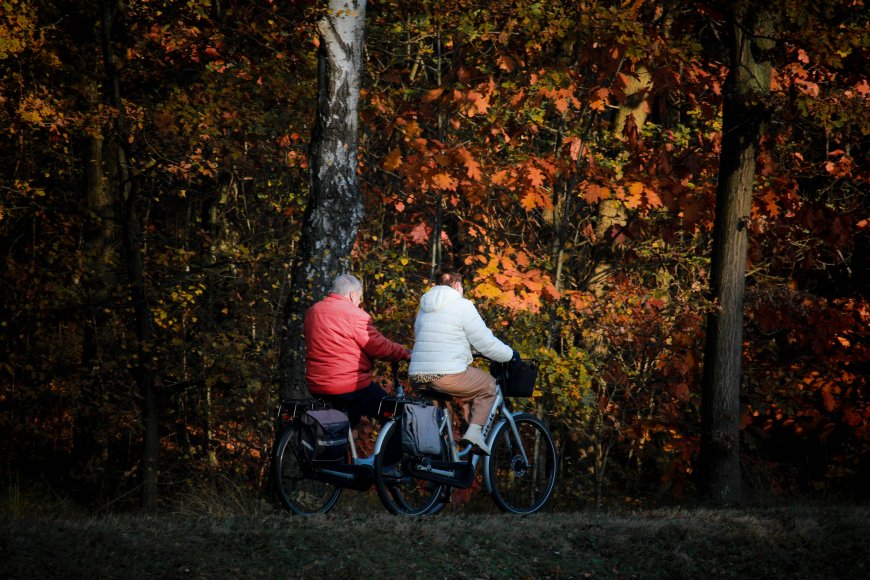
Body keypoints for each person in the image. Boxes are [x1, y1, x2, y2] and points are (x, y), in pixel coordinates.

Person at [409, 269, 519, 455]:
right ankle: (475, 433)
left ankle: (441, 466)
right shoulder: (462, 305)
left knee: (442, 417)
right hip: (445, 375)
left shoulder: (424, 307)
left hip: (417, 376)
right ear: (457, 285)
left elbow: (427, 337)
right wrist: (511, 355)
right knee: (488, 386)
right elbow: (485, 342)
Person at [304, 273, 411, 427]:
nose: (359, 303)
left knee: (344, 423)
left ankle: (348, 440)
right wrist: (404, 352)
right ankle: (390, 451)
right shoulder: (354, 315)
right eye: (360, 298)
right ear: (353, 295)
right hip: (347, 385)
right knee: (393, 413)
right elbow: (379, 347)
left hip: (316, 384)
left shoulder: (313, 312)